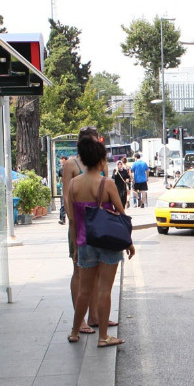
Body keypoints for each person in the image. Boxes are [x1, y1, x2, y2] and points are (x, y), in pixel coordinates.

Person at [66, 135, 134, 347]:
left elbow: (73, 219)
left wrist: (76, 247)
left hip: (85, 241)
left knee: (84, 290)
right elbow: (122, 215)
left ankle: (75, 331)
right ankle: (103, 336)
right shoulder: (108, 184)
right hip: (109, 242)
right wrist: (128, 242)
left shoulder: (73, 185)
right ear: (101, 160)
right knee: (104, 289)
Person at [62, 127, 108, 334]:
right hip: (80, 225)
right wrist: (74, 221)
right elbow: (66, 196)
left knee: (98, 270)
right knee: (79, 270)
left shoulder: (100, 162)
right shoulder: (71, 164)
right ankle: (79, 320)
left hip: (99, 224)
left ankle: (96, 316)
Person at [57, 155, 69, 225]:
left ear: (65, 159)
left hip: (70, 186)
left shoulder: (69, 168)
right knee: (63, 203)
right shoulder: (61, 169)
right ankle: (62, 218)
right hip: (65, 187)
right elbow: (61, 178)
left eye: (62, 159)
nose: (61, 160)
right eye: (60, 159)